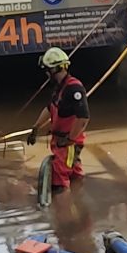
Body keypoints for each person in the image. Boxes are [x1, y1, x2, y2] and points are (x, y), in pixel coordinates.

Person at [32, 48, 88, 191]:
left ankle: (62, 210)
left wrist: (69, 140)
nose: (46, 73)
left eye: (47, 70)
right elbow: (50, 108)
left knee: (59, 183)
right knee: (75, 176)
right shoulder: (60, 88)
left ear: (55, 69)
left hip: (67, 144)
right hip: (61, 142)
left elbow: (83, 118)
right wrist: (36, 127)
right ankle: (79, 204)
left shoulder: (74, 88)